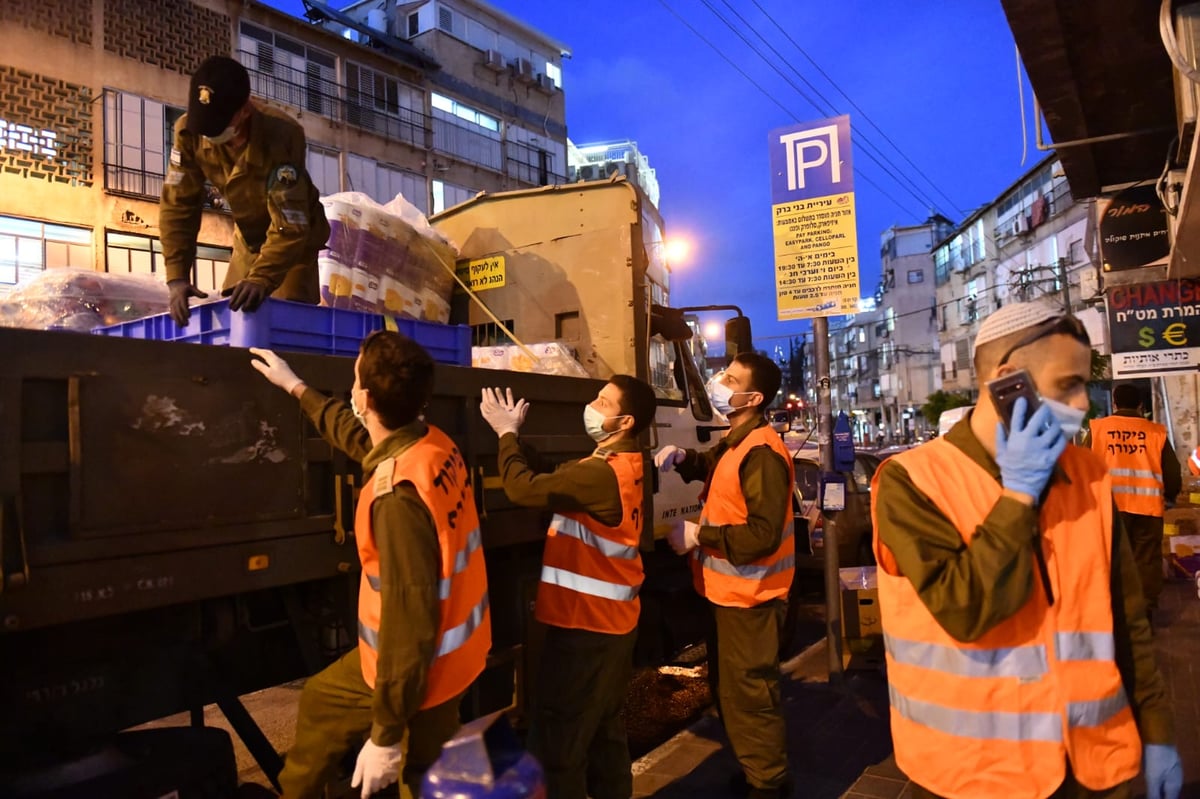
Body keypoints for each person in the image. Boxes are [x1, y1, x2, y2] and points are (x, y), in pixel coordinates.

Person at [870, 300, 1181, 799]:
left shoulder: (1089, 474)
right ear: (1008, 378)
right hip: (977, 776)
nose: (1083, 405)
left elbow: (1126, 620)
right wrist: (1018, 496)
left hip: (1095, 764)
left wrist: (1158, 728)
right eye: (1067, 385)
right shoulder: (914, 481)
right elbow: (966, 610)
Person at [249, 332, 490, 799]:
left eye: (355, 376)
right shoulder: (431, 445)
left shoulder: (397, 498)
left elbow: (408, 620)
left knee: (413, 774)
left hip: (422, 665)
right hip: (458, 654)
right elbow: (363, 439)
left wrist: (383, 735)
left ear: (364, 396)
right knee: (425, 770)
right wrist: (296, 387)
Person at [477, 375, 657, 799]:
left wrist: (505, 436)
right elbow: (559, 477)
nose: (592, 405)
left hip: (585, 631)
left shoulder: (600, 474)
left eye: (602, 401)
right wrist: (520, 442)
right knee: (603, 732)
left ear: (625, 421)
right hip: (612, 627)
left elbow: (522, 489)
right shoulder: (620, 464)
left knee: (559, 744)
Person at [653, 353, 794, 799]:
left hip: (752, 595)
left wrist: (700, 535)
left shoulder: (762, 453)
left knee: (750, 696)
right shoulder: (737, 440)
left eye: (730, 378)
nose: (718, 380)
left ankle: (768, 785)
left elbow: (763, 534)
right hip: (731, 592)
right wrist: (683, 458)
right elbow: (715, 466)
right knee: (731, 693)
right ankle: (756, 771)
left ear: (752, 397)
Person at [161, 55, 330, 327]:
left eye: (218, 129)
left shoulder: (282, 135)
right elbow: (178, 205)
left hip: (293, 239)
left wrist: (262, 278)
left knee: (284, 320)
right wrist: (177, 276)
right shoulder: (189, 132)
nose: (209, 138)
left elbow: (290, 221)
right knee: (234, 315)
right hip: (248, 237)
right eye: (205, 130)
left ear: (244, 111)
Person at [1089, 384, 1181, 619]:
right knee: (1146, 560)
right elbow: (1172, 472)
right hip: (1147, 509)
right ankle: (1144, 612)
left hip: (1109, 508)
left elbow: (1084, 467)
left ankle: (1113, 611)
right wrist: (1169, 496)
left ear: (1114, 403)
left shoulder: (1098, 429)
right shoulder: (1155, 432)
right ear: (1141, 405)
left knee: (1111, 558)